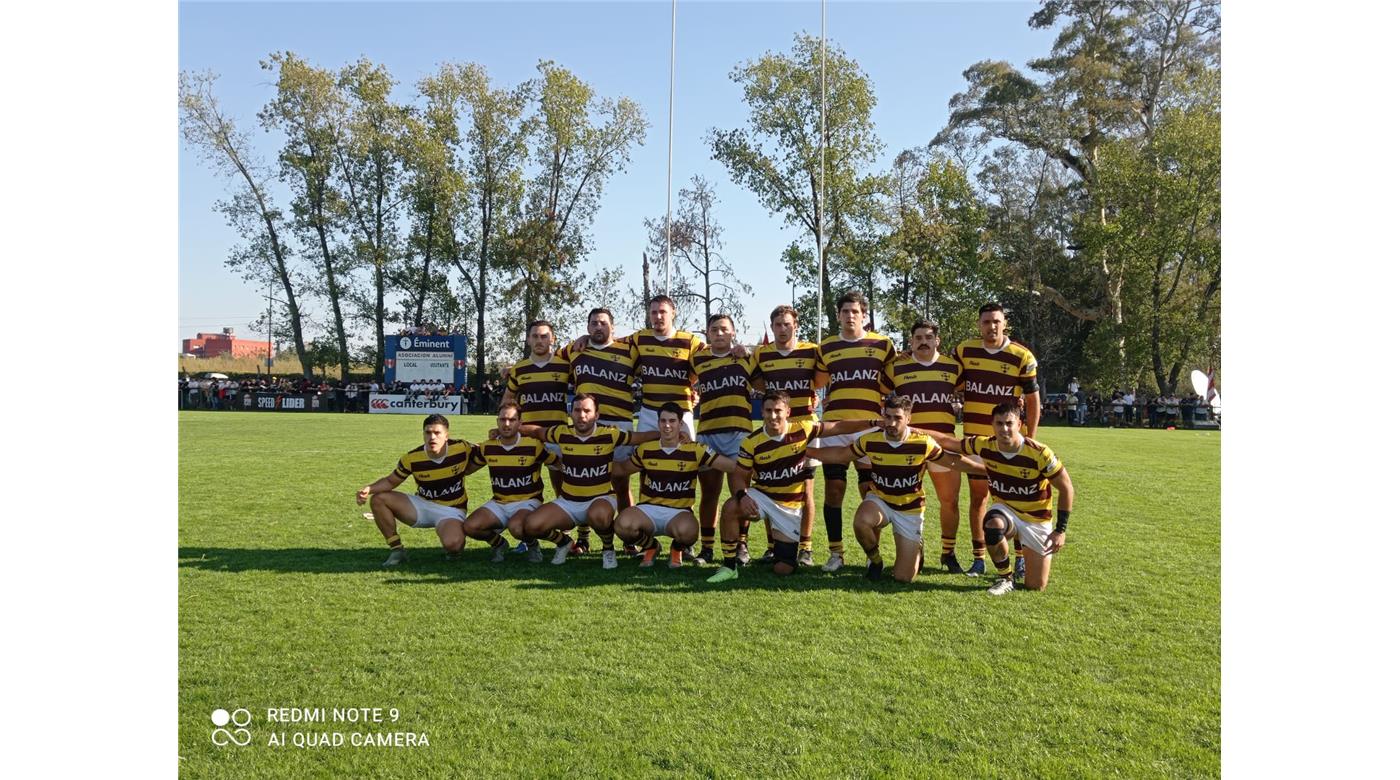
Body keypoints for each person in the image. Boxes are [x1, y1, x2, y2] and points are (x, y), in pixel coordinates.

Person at [807, 394, 985, 582]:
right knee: (861, 522)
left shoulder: (922, 442)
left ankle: (917, 545)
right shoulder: (870, 440)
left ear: (908, 419)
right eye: (888, 416)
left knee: (903, 577)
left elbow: (954, 462)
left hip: (910, 509)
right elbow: (840, 455)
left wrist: (989, 471)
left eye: (898, 418)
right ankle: (875, 561)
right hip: (880, 501)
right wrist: (806, 451)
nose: (891, 423)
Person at [706, 390, 879, 583]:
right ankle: (729, 566)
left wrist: (872, 423)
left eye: (778, 411)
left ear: (788, 412)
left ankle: (785, 552)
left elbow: (838, 427)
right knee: (731, 506)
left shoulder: (803, 429)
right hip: (762, 497)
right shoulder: (751, 442)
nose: (773, 416)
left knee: (783, 569)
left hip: (789, 507)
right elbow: (739, 475)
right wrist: (742, 496)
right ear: (761, 412)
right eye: (768, 411)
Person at [922, 401, 1075, 595]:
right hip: (1006, 511)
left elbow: (1066, 488)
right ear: (992, 425)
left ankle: (1025, 558)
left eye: (1009, 423)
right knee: (992, 525)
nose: (1004, 429)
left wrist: (1060, 530)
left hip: (1036, 519)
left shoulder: (1040, 453)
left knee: (1036, 585)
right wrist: (911, 430)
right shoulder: (986, 445)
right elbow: (948, 442)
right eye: (999, 423)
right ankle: (1006, 577)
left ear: (1019, 424)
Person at [517, 393, 661, 569]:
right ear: (570, 413)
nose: (582, 415)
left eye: (587, 411)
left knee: (598, 515)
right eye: (577, 410)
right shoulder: (562, 433)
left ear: (596, 415)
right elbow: (536, 432)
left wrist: (668, 433)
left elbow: (640, 437)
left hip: (600, 499)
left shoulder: (609, 434)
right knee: (531, 525)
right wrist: (511, 428)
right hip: (568, 502)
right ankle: (564, 542)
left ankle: (608, 549)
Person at [953, 301, 1041, 579]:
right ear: (979, 325)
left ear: (1005, 324)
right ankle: (979, 558)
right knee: (978, 498)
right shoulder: (964, 351)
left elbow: (1033, 400)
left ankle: (1020, 559)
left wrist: (1030, 439)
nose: (991, 326)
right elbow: (945, 375)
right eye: (986, 322)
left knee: (1015, 501)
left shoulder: (1021, 355)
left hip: (1009, 443)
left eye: (996, 321)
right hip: (976, 441)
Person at [813, 290, 895, 572]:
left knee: (869, 489)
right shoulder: (826, 347)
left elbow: (893, 379)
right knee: (834, 489)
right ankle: (836, 553)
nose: (850, 316)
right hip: (835, 426)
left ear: (864, 316)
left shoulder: (883, 344)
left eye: (855, 312)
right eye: (845, 311)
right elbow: (818, 382)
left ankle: (873, 554)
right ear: (838, 316)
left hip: (870, 427)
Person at [611, 402, 739, 567]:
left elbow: (730, 466)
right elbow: (622, 469)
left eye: (672, 421)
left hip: (678, 512)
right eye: (663, 421)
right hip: (648, 510)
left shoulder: (696, 449)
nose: (667, 425)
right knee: (622, 525)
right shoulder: (646, 449)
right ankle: (652, 546)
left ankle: (676, 548)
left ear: (680, 424)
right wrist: (593, 456)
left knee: (689, 532)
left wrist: (756, 461)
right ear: (658, 423)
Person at [750, 304, 827, 566]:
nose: (782, 329)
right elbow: (757, 382)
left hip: (805, 427)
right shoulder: (762, 354)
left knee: (806, 490)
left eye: (787, 324)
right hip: (773, 429)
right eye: (777, 325)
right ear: (771, 327)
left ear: (796, 326)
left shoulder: (812, 351)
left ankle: (806, 547)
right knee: (769, 488)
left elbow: (822, 379)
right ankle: (772, 546)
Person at [889, 319, 967, 572]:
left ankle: (948, 553)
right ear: (911, 341)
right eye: (918, 338)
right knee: (907, 501)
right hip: (909, 444)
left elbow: (972, 390)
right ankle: (915, 548)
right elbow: (878, 394)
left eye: (928, 337)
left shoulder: (954, 367)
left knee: (949, 501)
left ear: (937, 340)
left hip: (944, 444)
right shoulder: (896, 367)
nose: (923, 342)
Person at [565, 308, 640, 550]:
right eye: (594, 323)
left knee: (621, 483)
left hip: (619, 425)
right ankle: (583, 537)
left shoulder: (629, 351)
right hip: (586, 426)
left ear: (613, 327)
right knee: (582, 481)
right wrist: (509, 370)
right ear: (587, 327)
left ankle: (629, 538)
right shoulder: (574, 350)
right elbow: (546, 362)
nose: (599, 327)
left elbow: (660, 372)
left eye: (603, 323)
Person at [355, 414, 474, 567]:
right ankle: (397, 550)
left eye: (437, 433)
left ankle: (453, 545)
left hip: (452, 510)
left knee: (453, 544)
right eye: (428, 432)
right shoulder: (412, 458)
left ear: (446, 436)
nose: (432, 437)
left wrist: (496, 435)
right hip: (422, 505)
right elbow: (391, 481)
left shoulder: (461, 447)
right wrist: (369, 488)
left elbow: (486, 451)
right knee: (379, 499)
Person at [690, 313, 756, 564]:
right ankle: (707, 548)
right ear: (707, 333)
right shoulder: (697, 359)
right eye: (714, 329)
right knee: (709, 493)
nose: (719, 333)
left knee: (741, 492)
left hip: (739, 433)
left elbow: (767, 383)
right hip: (708, 433)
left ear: (733, 332)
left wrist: (749, 350)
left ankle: (741, 545)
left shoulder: (746, 357)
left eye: (724, 329)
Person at [459, 402, 558, 563]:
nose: (506, 424)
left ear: (520, 423)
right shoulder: (488, 447)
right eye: (502, 419)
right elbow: (468, 470)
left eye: (512, 420)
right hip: (499, 502)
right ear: (497, 421)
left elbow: (558, 464)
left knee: (516, 527)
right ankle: (499, 544)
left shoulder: (533, 445)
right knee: (470, 526)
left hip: (528, 501)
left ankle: (532, 545)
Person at [502, 319, 571, 500]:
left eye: (544, 336)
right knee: (528, 483)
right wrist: (506, 423)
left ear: (552, 339)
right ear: (528, 339)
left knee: (561, 484)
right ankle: (532, 513)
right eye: (535, 336)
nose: (539, 340)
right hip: (527, 433)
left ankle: (563, 516)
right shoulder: (519, 369)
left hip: (556, 433)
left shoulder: (565, 366)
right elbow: (508, 398)